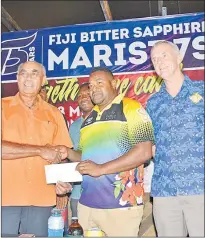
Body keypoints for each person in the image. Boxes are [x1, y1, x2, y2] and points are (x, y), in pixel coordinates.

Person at [56, 68, 154, 236]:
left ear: (114, 84)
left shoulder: (131, 108)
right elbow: (85, 157)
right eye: (91, 85)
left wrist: (100, 169)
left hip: (121, 206)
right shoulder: (88, 120)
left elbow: (144, 152)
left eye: (99, 83)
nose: (93, 88)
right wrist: (68, 153)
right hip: (86, 205)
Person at [2, 61, 73, 237]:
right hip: (5, 197)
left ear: (43, 79)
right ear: (17, 78)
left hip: (43, 197)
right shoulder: (2, 107)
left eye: (34, 73)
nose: (28, 78)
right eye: (23, 73)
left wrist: (61, 183)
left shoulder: (54, 113)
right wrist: (40, 150)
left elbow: (61, 154)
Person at [146, 41, 204, 236]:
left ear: (179, 58)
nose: (159, 62)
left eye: (164, 55)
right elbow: (149, 144)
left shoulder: (202, 91)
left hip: (200, 187)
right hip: (165, 190)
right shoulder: (152, 103)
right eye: (154, 59)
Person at [69, 82, 94, 218]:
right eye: (80, 96)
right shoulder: (74, 127)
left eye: (87, 94)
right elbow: (68, 159)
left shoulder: (107, 121)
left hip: (103, 192)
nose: (83, 98)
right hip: (77, 193)